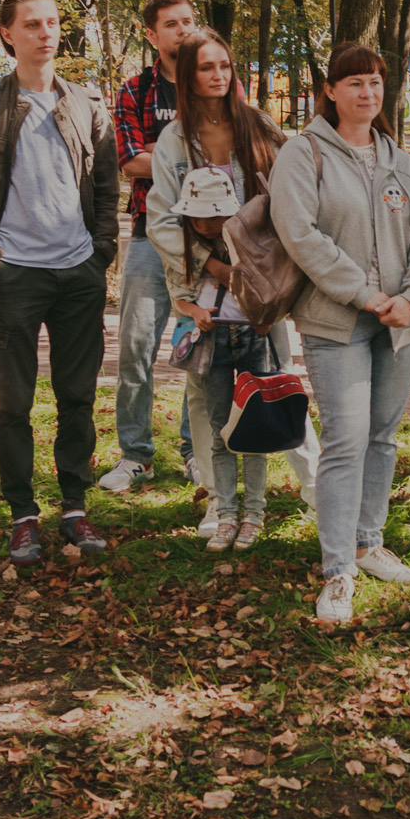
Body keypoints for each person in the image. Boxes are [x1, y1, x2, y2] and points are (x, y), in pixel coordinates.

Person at [0, 0, 121, 568]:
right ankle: (22, 514)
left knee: (77, 396)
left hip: (77, 276)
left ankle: (74, 505)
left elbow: (105, 189)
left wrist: (99, 255)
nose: (47, 34)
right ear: (7, 34)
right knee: (13, 402)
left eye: (53, 23)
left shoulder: (87, 104)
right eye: (33, 25)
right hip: (15, 276)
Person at [270, 43, 410, 624]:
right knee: (347, 439)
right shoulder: (304, 152)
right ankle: (338, 569)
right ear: (330, 90)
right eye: (354, 84)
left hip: (399, 322)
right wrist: (364, 293)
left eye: (374, 82)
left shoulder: (401, 160)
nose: (367, 94)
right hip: (336, 319)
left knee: (384, 435)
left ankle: (369, 542)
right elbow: (299, 232)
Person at [145, 30, 315, 550]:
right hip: (203, 290)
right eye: (206, 68)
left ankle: (308, 489)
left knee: (268, 390)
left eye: (224, 66)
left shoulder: (258, 125)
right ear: (188, 75)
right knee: (206, 400)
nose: (218, 75)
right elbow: (160, 216)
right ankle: (219, 505)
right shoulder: (175, 140)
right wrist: (212, 271)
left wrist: (266, 274)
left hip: (263, 290)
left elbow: (292, 191)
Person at [108, 0, 202, 493]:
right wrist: (193, 161)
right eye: (171, 24)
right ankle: (135, 455)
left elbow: (232, 159)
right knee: (136, 347)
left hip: (208, 242)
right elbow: (129, 163)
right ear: (152, 35)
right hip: (148, 235)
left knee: (199, 348)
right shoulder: (136, 90)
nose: (183, 31)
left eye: (188, 21)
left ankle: (196, 450)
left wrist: (160, 159)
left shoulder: (215, 83)